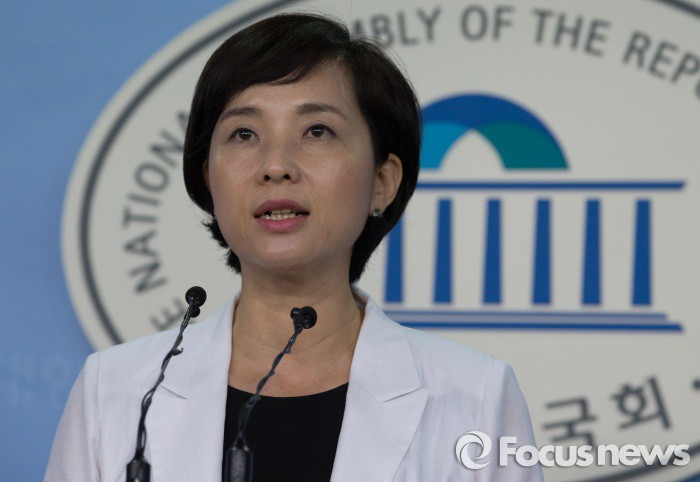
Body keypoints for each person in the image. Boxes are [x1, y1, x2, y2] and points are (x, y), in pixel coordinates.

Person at [46, 13, 543, 482]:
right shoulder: (114, 389)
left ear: (382, 182)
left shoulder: (475, 396)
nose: (275, 166)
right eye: (244, 134)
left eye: (317, 131)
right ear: (208, 178)